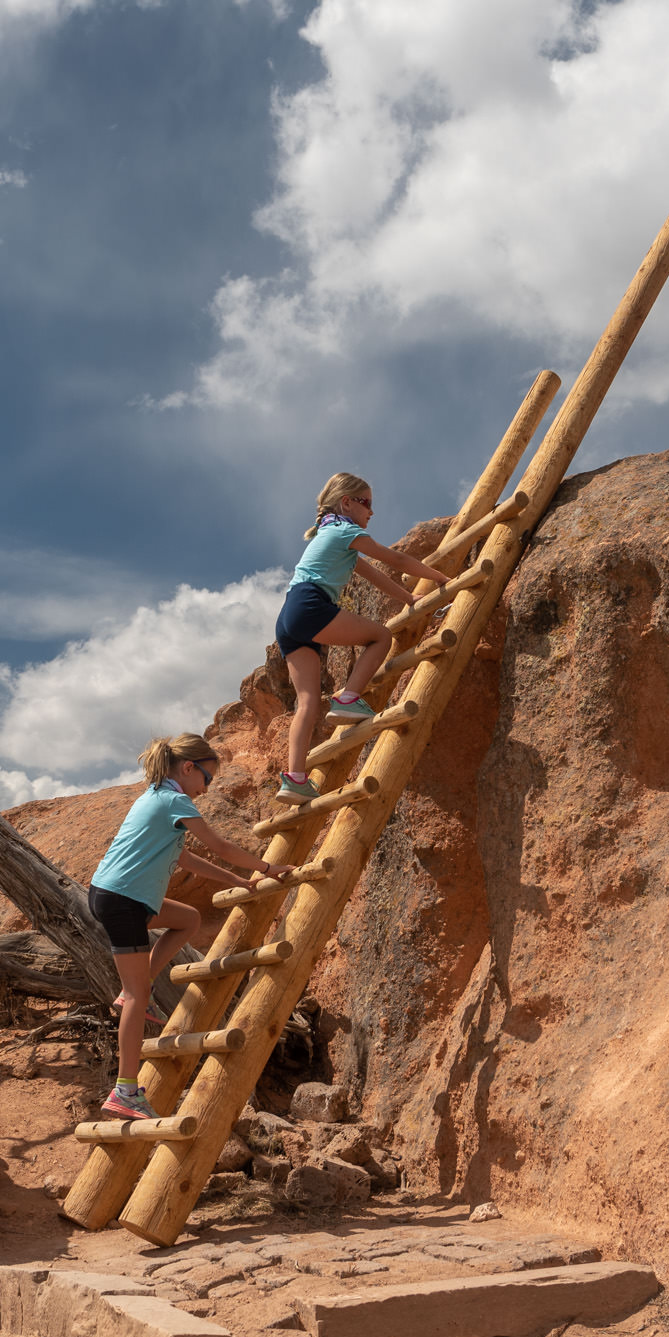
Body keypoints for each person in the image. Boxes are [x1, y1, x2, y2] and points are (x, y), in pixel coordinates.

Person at [89, 732, 268, 1121]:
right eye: (207, 778)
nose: (208, 788)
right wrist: (267, 868)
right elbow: (220, 846)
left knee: (188, 920)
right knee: (137, 999)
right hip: (124, 902)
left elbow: (185, 858)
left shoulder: (154, 798)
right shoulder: (174, 800)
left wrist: (236, 881)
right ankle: (125, 1090)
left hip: (118, 896)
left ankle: (135, 991)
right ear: (188, 768)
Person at [272, 473, 450, 803]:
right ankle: (349, 698)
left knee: (308, 702)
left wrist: (409, 598)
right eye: (367, 503)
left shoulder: (331, 535)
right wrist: (440, 577)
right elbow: (394, 559)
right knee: (380, 637)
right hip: (310, 604)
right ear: (347, 503)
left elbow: (376, 575)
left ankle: (295, 779)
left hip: (288, 618)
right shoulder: (345, 531)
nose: (372, 512)